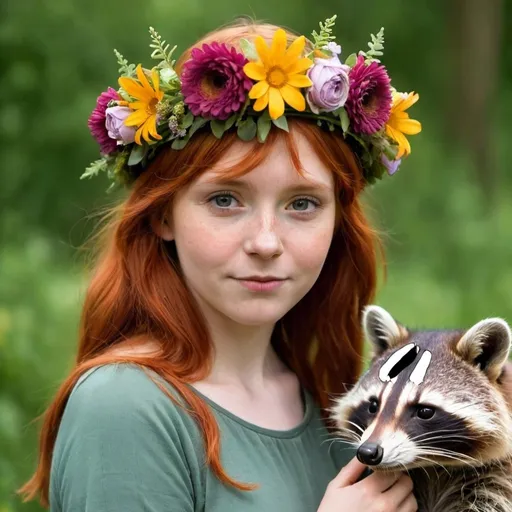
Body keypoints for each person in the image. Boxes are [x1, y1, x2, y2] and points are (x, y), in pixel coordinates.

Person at [18, 16, 425, 512]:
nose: (266, 242)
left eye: (302, 204)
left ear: (338, 220)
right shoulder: (125, 407)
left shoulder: (336, 406)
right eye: (226, 199)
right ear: (164, 212)